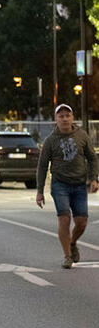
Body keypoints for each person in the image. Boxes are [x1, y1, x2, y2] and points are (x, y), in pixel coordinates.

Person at [36, 104, 99, 269]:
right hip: (60, 185)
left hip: (79, 184)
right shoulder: (50, 141)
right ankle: (67, 256)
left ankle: (73, 242)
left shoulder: (82, 135)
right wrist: (40, 191)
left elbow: (92, 158)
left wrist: (94, 179)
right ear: (56, 119)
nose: (64, 119)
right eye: (61, 116)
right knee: (64, 218)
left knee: (82, 222)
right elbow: (42, 166)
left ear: (72, 118)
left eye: (67, 115)